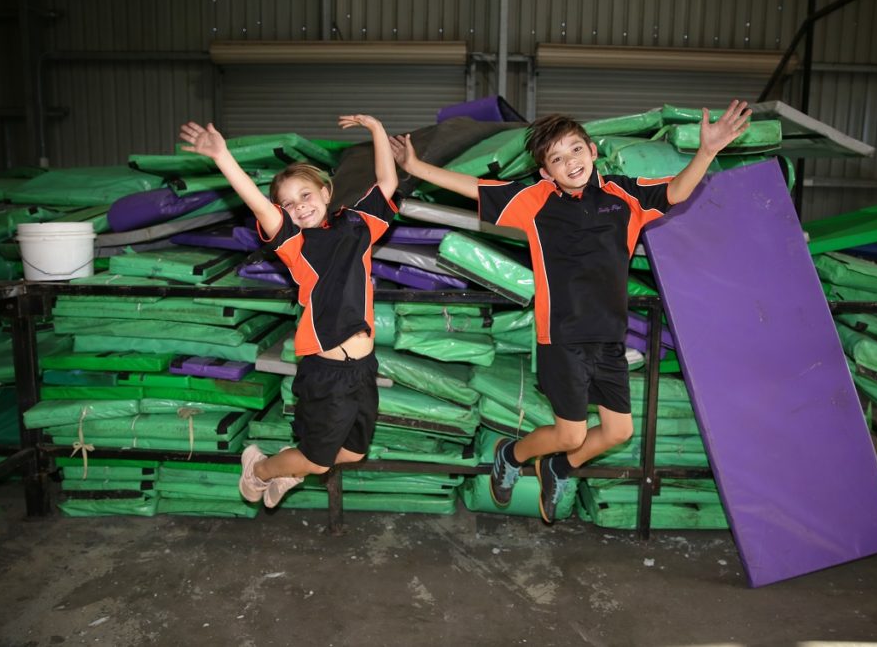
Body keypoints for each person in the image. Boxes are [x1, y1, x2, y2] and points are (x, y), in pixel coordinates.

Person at [391, 100, 751, 524]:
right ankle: (512, 454)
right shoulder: (535, 201)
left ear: (592, 150)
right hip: (561, 336)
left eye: (574, 149)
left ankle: (560, 466)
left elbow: (675, 192)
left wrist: (706, 151)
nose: (569, 162)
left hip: (609, 335)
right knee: (571, 432)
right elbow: (472, 188)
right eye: (556, 158)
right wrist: (415, 166)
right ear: (546, 172)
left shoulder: (624, 195)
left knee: (618, 432)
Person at [180, 114, 398, 508]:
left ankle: (287, 471)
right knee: (318, 460)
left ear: (326, 192)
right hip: (327, 371)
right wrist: (222, 157)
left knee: (353, 453)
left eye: (306, 195)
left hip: (363, 369)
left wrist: (377, 130)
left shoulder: (358, 225)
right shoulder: (296, 245)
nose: (298, 207)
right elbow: (259, 205)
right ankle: (260, 468)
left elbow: (388, 183)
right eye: (289, 203)